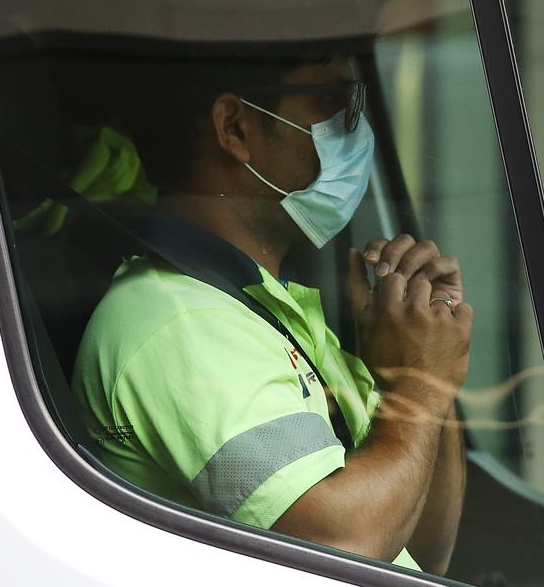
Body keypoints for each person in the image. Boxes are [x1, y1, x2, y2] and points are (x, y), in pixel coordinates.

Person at [71, 52, 472, 574]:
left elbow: (420, 549)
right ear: (235, 128)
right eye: (331, 102)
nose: (354, 130)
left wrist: (425, 361)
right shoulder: (183, 323)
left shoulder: (267, 308)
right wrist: (420, 380)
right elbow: (344, 549)